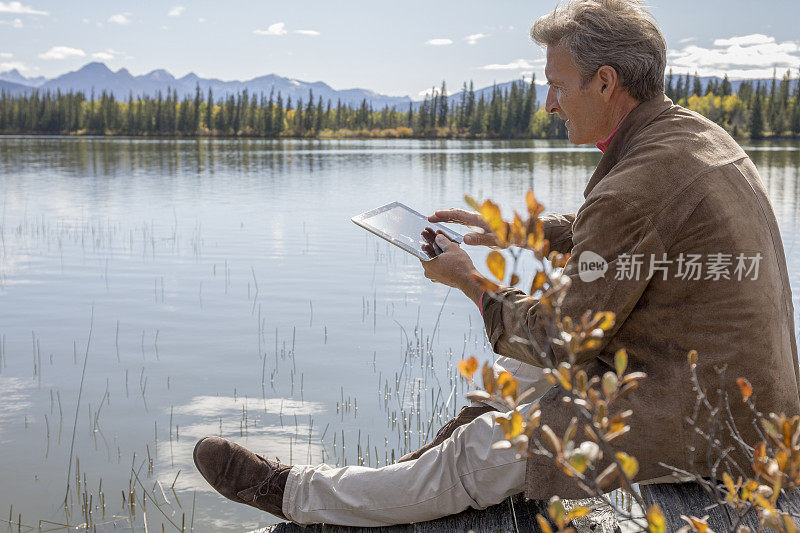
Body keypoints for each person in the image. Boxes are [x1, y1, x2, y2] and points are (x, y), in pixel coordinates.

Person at [193, 0, 800, 526]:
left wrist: (472, 282)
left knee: (489, 446)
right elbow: (623, 236)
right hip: (734, 395)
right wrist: (506, 232)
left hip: (707, 424)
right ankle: (416, 470)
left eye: (558, 85)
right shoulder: (691, 136)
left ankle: (294, 494)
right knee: (524, 384)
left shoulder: (637, 183)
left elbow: (562, 338)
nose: (549, 103)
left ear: (607, 82)